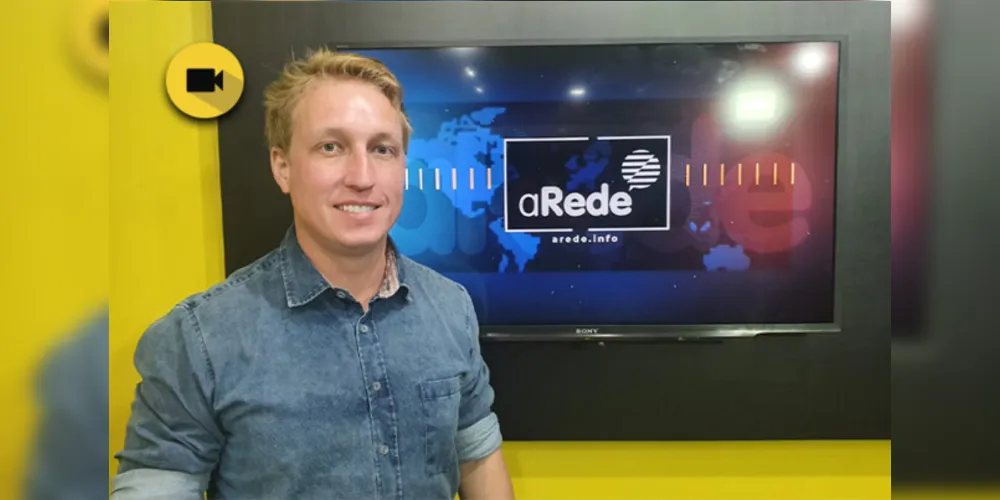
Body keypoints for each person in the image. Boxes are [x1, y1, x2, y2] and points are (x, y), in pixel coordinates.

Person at [111, 47, 515, 500]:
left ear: (403, 166)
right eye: (331, 147)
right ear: (282, 167)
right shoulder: (199, 339)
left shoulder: (451, 307)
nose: (361, 176)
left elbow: (478, 456)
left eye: (382, 149)